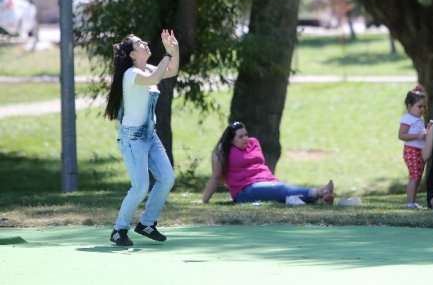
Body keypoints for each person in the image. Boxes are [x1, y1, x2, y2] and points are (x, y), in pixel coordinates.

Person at [105, 30, 179, 247]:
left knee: (166, 178)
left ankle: (146, 223)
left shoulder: (146, 68)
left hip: (150, 135)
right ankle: (119, 229)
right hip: (133, 137)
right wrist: (167, 53)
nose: (145, 43)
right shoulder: (131, 74)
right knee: (140, 186)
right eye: (140, 44)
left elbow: (172, 70)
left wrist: (174, 48)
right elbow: (156, 77)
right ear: (132, 55)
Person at [202, 122, 335, 205]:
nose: (245, 138)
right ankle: (318, 192)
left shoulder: (254, 143)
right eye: (240, 136)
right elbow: (216, 176)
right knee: (280, 189)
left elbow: (260, 167)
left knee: (281, 194)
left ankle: (320, 201)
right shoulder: (223, 150)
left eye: (245, 134)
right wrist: (205, 200)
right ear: (231, 140)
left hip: (267, 181)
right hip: (244, 191)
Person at [397, 86, 428, 209]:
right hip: (411, 151)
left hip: (419, 151)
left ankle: (412, 201)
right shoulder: (407, 119)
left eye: (424, 106)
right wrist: (418, 136)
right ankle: (409, 203)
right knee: (414, 176)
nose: (422, 109)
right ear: (409, 106)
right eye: (419, 106)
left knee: (417, 177)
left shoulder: (418, 119)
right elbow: (401, 135)